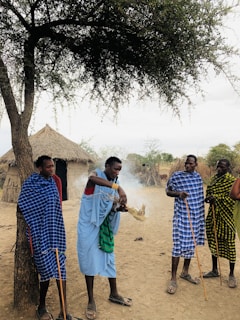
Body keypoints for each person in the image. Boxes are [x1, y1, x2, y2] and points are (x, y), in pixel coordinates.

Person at [18, 155, 80, 320]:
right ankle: (42, 307)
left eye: (53, 166)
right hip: (39, 235)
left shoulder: (55, 182)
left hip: (56, 232)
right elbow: (21, 205)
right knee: (45, 272)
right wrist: (38, 214)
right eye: (48, 167)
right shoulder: (31, 184)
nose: (51, 169)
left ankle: (64, 312)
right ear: (40, 168)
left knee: (61, 271)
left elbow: (57, 205)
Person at [77, 156, 132, 320]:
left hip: (104, 227)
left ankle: (114, 293)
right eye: (115, 168)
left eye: (119, 169)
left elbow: (110, 207)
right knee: (89, 260)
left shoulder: (113, 187)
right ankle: (91, 300)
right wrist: (118, 187)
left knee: (109, 257)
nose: (117, 172)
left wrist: (119, 208)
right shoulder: (96, 177)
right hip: (88, 227)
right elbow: (93, 179)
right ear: (106, 166)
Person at [165, 154, 205, 294]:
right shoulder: (177, 176)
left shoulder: (198, 178)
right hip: (182, 216)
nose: (187, 166)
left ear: (196, 164)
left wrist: (200, 216)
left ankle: (185, 272)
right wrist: (178, 194)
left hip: (195, 216)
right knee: (178, 245)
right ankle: (173, 278)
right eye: (186, 163)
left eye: (190, 164)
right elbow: (168, 191)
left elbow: (199, 197)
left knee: (191, 244)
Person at [203, 159, 237, 288]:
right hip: (214, 216)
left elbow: (233, 199)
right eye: (218, 166)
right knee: (213, 241)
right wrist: (208, 198)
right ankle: (214, 270)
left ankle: (232, 274)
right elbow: (209, 192)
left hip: (227, 217)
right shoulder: (214, 179)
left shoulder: (232, 181)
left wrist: (216, 199)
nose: (219, 169)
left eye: (222, 167)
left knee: (229, 244)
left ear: (228, 168)